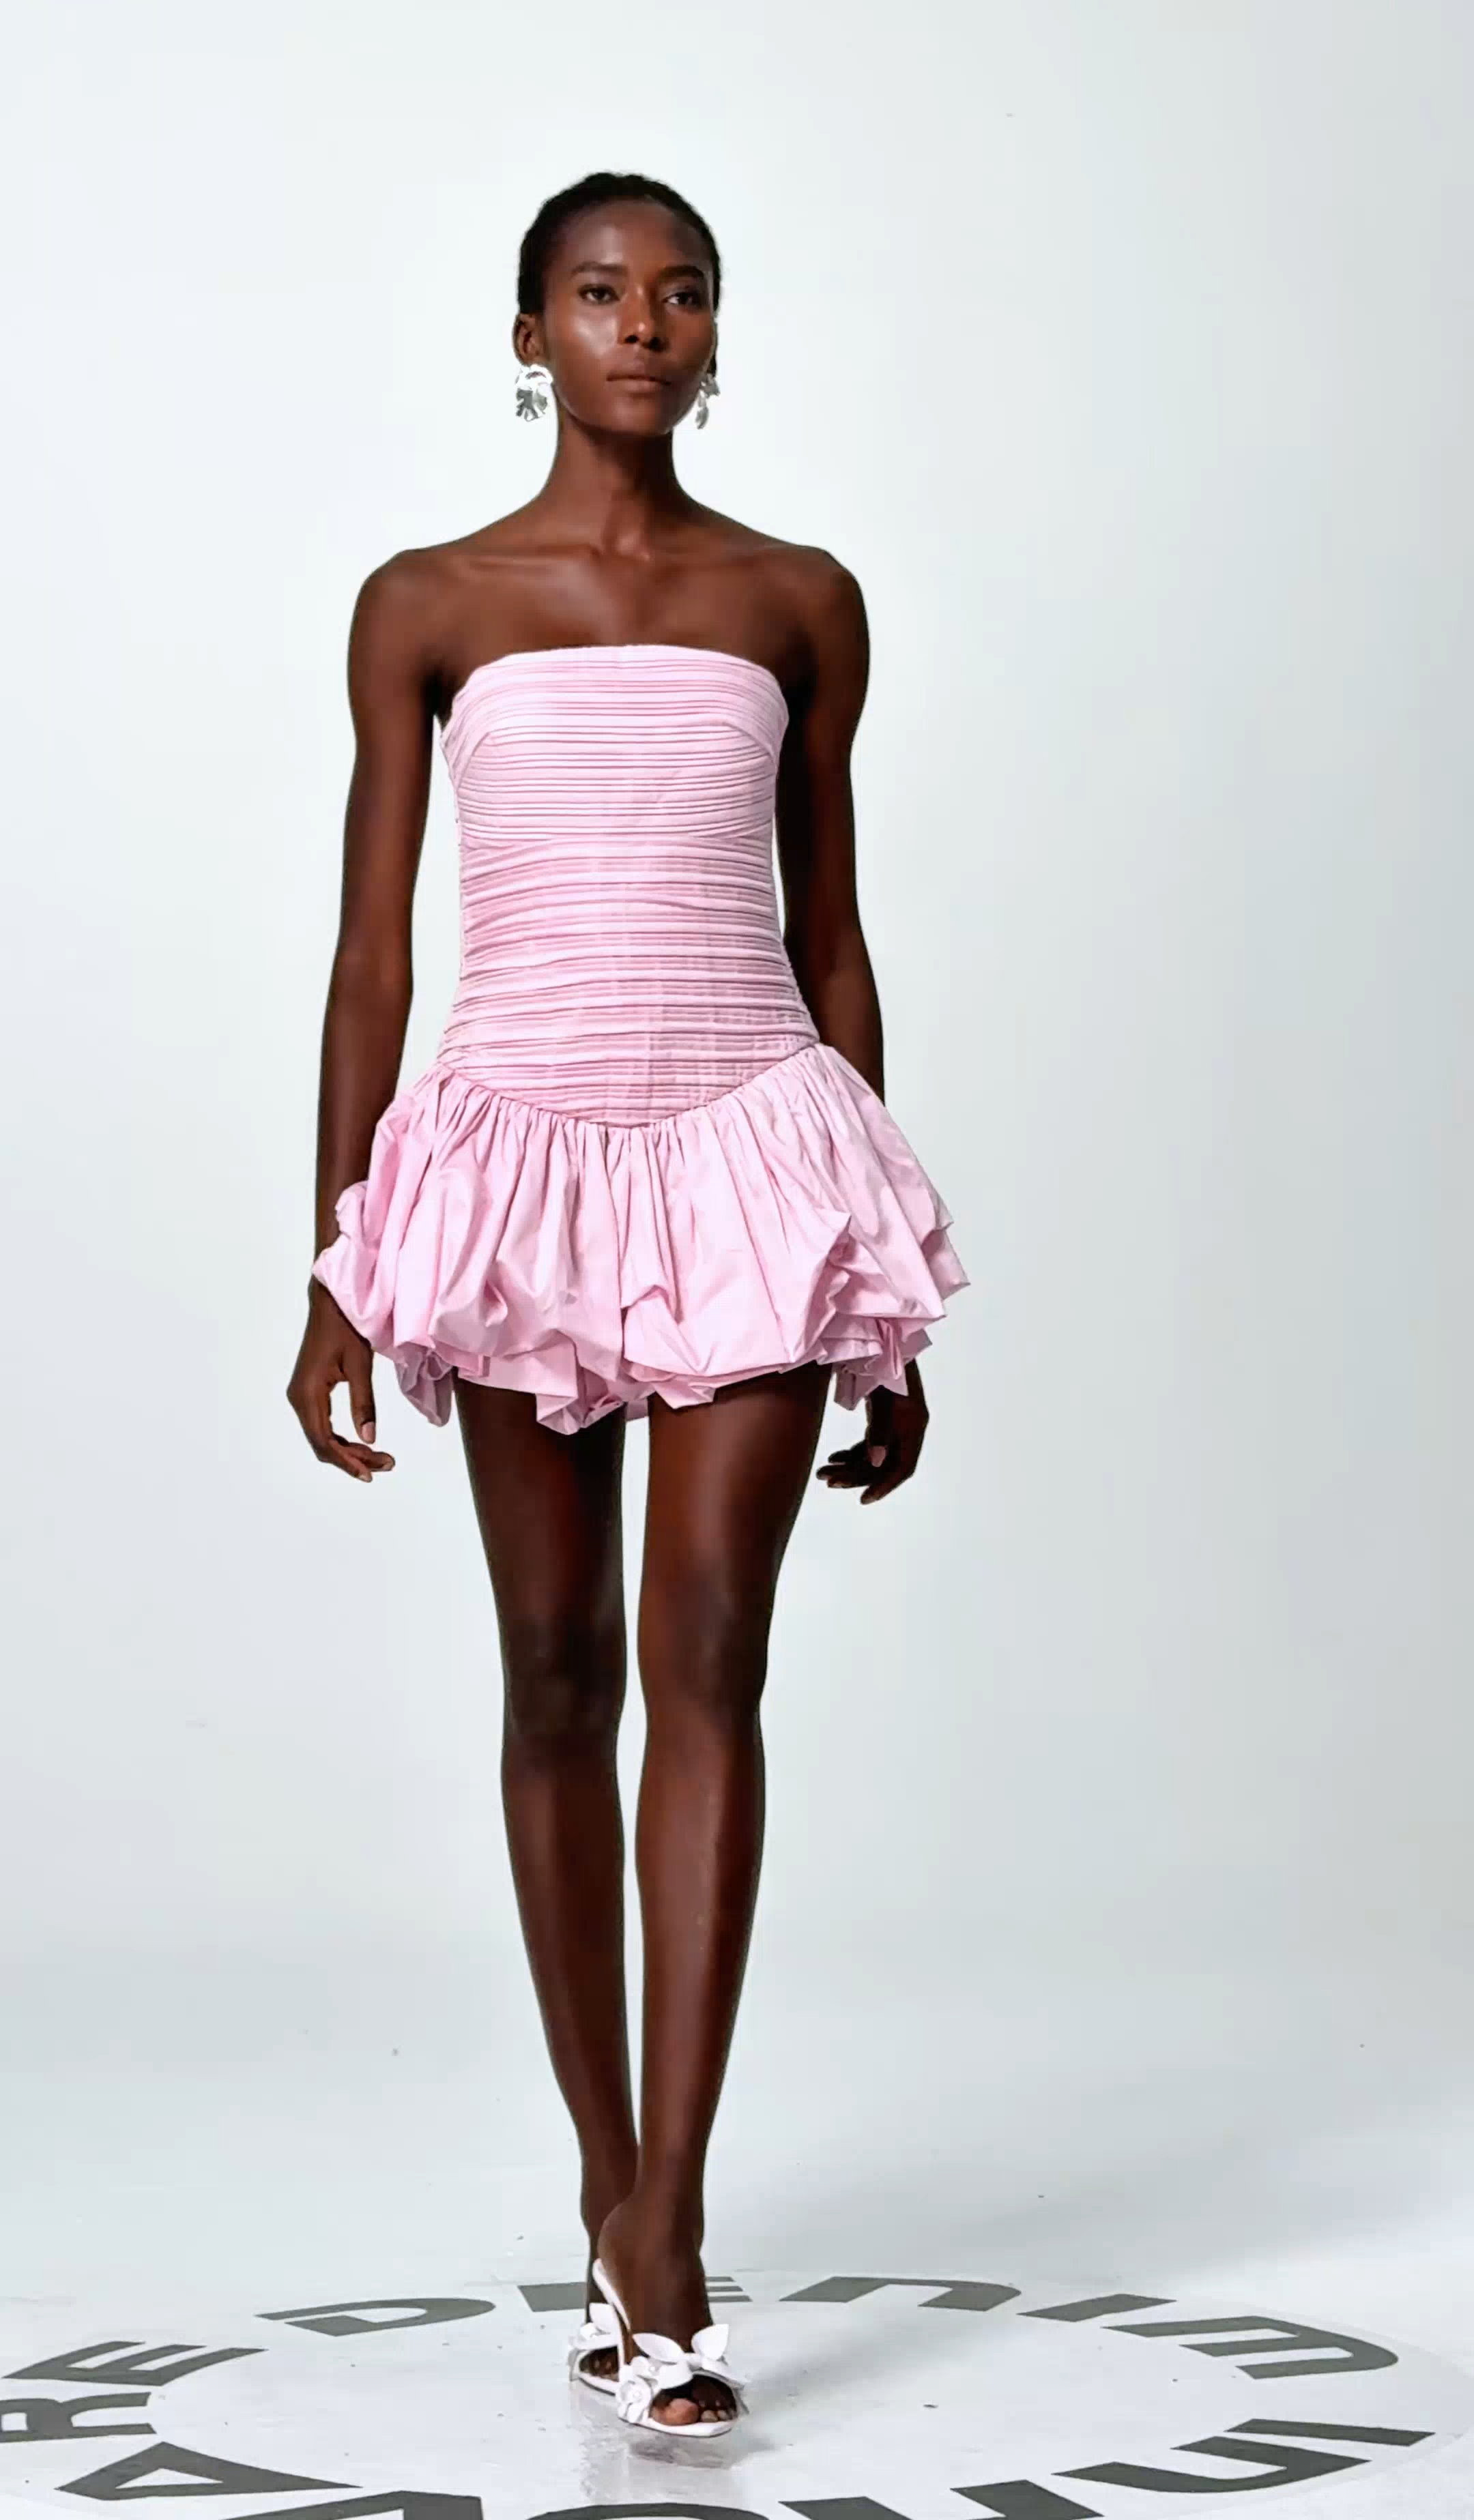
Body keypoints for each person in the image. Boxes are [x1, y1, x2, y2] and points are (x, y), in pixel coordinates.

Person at [286, 167, 968, 2432]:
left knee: (710, 1662)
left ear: (716, 331)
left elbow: (834, 932)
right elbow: (374, 954)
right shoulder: (430, 605)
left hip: (757, 1149)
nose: (643, 328)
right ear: (531, 332)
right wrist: (336, 1262)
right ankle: (608, 2177)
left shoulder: (797, 600)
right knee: (557, 1666)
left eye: (680, 293)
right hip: (518, 1166)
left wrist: (880, 1289)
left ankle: (668, 2223)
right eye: (599, 294)